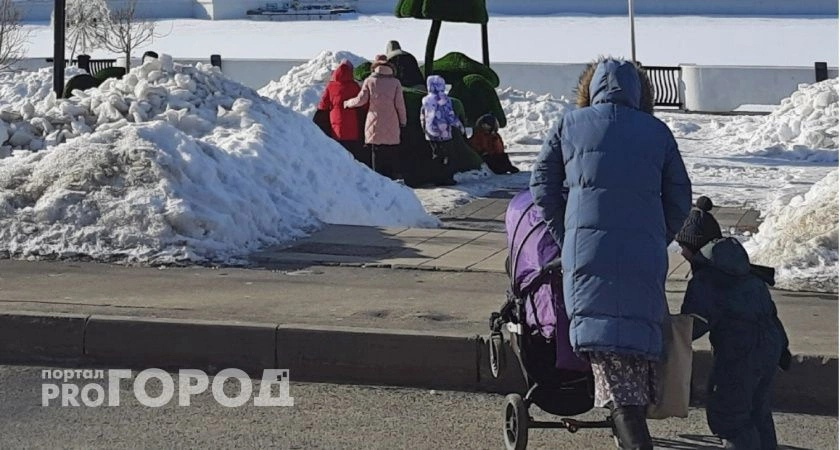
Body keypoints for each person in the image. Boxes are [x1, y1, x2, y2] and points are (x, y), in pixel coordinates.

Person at [529, 57, 692, 450]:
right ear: (641, 92)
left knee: (609, 357)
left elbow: (541, 184)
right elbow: (680, 198)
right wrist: (657, 235)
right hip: (643, 256)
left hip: (587, 257)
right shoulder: (657, 132)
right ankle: (629, 427)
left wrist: (567, 235)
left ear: (588, 90)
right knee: (632, 348)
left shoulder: (570, 125)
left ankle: (632, 434)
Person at [677, 196, 791, 450]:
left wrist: (667, 330)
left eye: (683, 246)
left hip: (739, 355)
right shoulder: (747, 272)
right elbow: (769, 314)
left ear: (696, 246)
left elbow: (694, 325)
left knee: (729, 417)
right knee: (757, 411)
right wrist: (783, 348)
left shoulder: (707, 279)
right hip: (769, 349)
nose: (681, 252)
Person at [344, 55, 407, 179]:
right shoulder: (395, 82)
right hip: (392, 120)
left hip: (374, 119)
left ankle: (377, 179)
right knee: (391, 150)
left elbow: (361, 100)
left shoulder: (369, 81)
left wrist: (347, 103)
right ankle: (392, 178)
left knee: (376, 151)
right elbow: (400, 105)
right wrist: (403, 121)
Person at [316, 59, 368, 166]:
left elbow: (323, 105)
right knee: (353, 153)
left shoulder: (331, 86)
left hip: (335, 121)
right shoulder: (354, 86)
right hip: (352, 122)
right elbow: (363, 104)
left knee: (339, 150)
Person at [421, 75, 464, 186]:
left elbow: (422, 116)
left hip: (430, 133)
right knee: (449, 156)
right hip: (445, 133)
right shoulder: (445, 100)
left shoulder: (425, 100)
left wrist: (424, 129)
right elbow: (450, 116)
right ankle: (447, 178)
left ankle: (436, 178)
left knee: (436, 155)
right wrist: (459, 125)